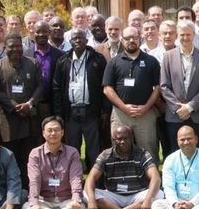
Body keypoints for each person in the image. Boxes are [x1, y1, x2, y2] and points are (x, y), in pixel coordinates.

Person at [51, 28, 107, 171]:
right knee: (71, 148)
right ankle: (72, 178)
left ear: (86, 40)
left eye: (80, 38)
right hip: (70, 112)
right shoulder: (63, 60)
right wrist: (58, 113)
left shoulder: (97, 59)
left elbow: (105, 86)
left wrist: (105, 111)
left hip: (91, 111)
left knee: (94, 148)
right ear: (70, 42)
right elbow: (56, 88)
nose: (77, 41)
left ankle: (96, 181)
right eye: (74, 38)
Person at [103, 25, 161, 161]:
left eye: (134, 37)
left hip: (145, 113)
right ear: (122, 40)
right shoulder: (114, 62)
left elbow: (158, 87)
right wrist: (124, 107)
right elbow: (107, 88)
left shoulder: (151, 61)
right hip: (120, 114)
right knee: (120, 148)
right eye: (127, 38)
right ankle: (122, 178)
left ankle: (151, 179)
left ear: (140, 39)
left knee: (149, 148)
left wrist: (145, 107)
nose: (131, 41)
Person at [83, 125, 162, 209]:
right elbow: (91, 178)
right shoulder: (106, 155)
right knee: (86, 194)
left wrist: (148, 199)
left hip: (136, 195)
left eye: (126, 138)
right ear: (113, 140)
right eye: (119, 139)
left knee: (159, 194)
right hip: (113, 196)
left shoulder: (142, 153)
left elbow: (155, 177)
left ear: (132, 138)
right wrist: (91, 199)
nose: (123, 142)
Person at [160, 20, 199, 152]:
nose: (185, 38)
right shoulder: (168, 57)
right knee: (176, 151)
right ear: (177, 36)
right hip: (175, 115)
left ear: (194, 35)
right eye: (182, 35)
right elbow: (164, 86)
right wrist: (179, 108)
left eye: (188, 35)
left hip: (198, 115)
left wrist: (190, 107)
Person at [22, 116, 85, 209]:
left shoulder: (72, 153)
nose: (53, 133)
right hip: (44, 201)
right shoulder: (35, 154)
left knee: (80, 208)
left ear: (62, 132)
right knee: (27, 207)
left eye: (56, 130)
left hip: (66, 201)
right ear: (43, 133)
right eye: (49, 130)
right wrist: (35, 203)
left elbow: (76, 178)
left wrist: (75, 199)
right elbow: (34, 180)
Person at [0, 33, 43, 174]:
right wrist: (14, 106)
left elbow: (40, 87)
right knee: (10, 157)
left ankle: (28, 188)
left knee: (28, 157)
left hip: (30, 118)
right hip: (9, 120)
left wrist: (29, 104)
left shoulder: (33, 63)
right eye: (11, 46)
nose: (15, 49)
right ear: (5, 47)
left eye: (18, 46)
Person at [29, 20, 63, 120]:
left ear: (49, 33)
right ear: (33, 33)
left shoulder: (59, 55)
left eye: (44, 31)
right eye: (38, 31)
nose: (41, 34)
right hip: (31, 103)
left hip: (51, 103)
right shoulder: (25, 54)